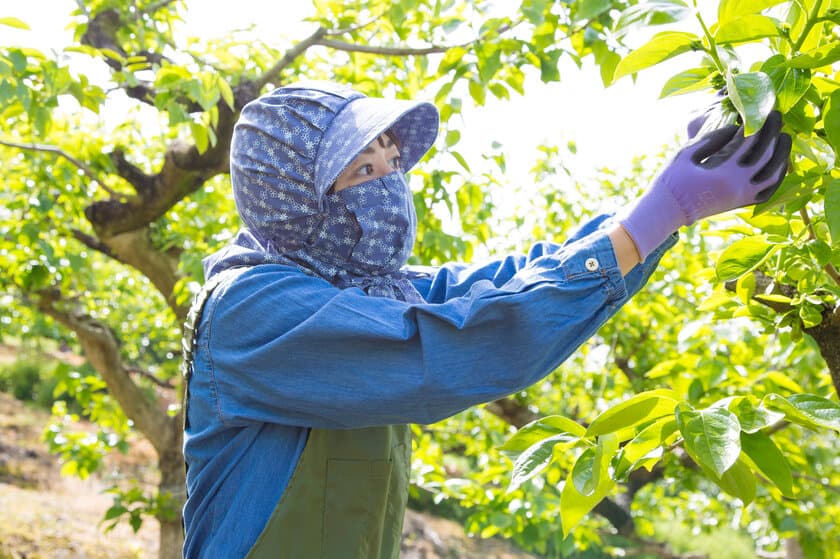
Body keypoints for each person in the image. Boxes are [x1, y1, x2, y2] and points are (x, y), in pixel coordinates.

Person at [180, 80, 791, 558]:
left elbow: (498, 285)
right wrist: (660, 215)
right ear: (293, 201)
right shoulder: (250, 311)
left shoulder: (365, 287)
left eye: (392, 163)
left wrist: (656, 210)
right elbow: (455, 341)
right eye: (364, 171)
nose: (391, 185)